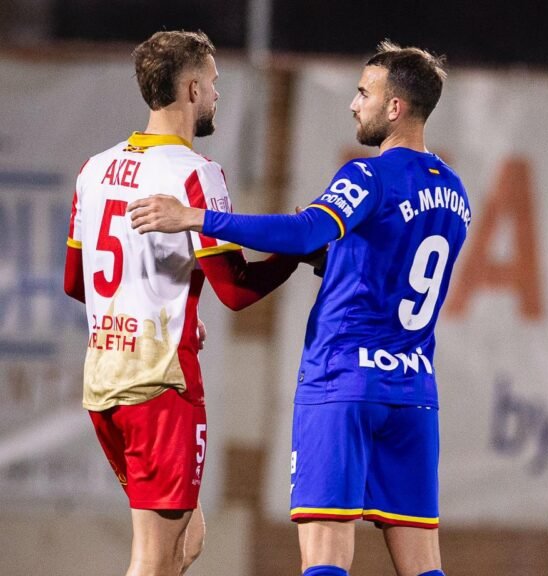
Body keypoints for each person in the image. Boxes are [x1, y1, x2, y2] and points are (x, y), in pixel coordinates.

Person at [129, 41, 466, 576]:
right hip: (413, 391)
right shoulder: (454, 191)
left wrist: (195, 217)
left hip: (342, 382)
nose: (354, 104)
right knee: (424, 567)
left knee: (326, 559)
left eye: (364, 93)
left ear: (395, 107)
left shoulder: (368, 177)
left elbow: (306, 229)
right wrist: (331, 259)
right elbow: (389, 264)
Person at [64, 30, 304, 576]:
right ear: (192, 89)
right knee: (152, 557)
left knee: (186, 540)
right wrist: (292, 255)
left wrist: (140, 298)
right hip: (160, 385)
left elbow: (76, 282)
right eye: (213, 82)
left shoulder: (94, 169)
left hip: (104, 382)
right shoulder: (197, 174)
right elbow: (236, 291)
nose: (216, 93)